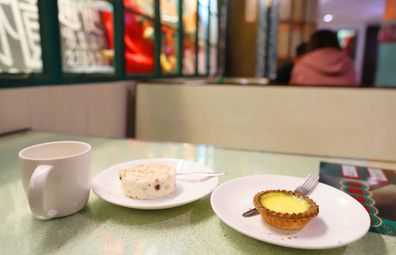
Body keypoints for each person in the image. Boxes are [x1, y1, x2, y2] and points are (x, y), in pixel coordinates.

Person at [290, 30, 356, 86]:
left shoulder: (303, 64)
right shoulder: (348, 64)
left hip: (309, 100)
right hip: (342, 100)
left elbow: (294, 92)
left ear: (312, 44)